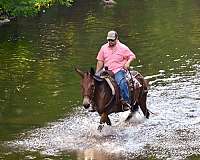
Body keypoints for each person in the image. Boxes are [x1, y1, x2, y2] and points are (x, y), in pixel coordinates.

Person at [96, 30, 136, 107]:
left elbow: (132, 56)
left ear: (117, 38)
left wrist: (128, 63)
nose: (110, 42)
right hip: (107, 71)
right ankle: (94, 103)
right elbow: (100, 61)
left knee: (121, 82)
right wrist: (97, 73)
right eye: (109, 40)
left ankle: (126, 102)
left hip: (118, 70)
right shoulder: (103, 48)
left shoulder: (123, 47)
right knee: (95, 83)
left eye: (112, 40)